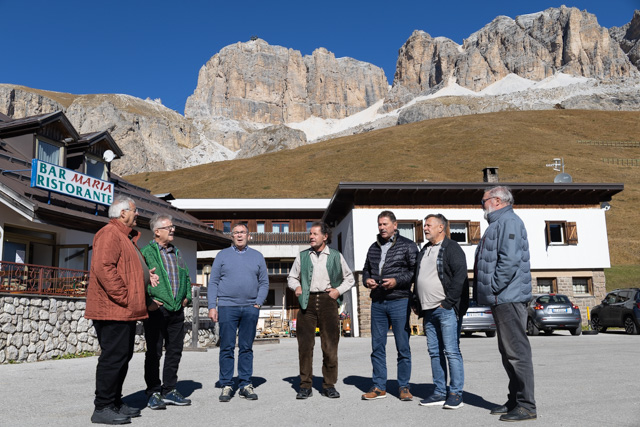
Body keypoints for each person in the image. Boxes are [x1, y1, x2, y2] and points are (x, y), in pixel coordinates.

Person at [85, 196, 159, 425]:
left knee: (122, 356)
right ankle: (103, 407)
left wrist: (144, 276)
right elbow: (104, 268)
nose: (138, 214)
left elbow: (125, 268)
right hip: (113, 309)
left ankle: (115, 402)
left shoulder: (124, 236)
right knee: (113, 358)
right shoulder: (109, 233)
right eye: (135, 211)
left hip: (123, 309)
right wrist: (124, 297)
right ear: (122, 213)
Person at [474, 186, 537, 422]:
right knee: (508, 352)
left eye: (483, 201)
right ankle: (515, 400)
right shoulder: (499, 223)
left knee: (517, 353)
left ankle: (526, 405)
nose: (481, 205)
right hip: (502, 297)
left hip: (508, 297)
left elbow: (509, 260)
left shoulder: (509, 221)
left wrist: (494, 287)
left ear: (497, 201)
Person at [287, 222, 355, 400]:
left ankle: (329, 385)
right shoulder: (302, 256)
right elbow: (291, 277)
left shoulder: (336, 256)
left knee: (330, 346)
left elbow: (350, 278)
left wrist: (337, 291)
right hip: (306, 302)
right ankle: (305, 385)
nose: (311, 236)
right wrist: (297, 287)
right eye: (310, 233)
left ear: (325, 236)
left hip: (328, 301)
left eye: (315, 234)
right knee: (305, 346)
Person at [208, 223, 269, 402]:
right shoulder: (222, 255)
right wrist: (212, 306)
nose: (240, 235)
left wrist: (258, 303)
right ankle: (226, 384)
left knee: (246, 347)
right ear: (232, 236)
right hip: (227, 307)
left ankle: (245, 384)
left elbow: (264, 282)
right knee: (226, 347)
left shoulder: (257, 256)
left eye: (243, 232)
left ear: (248, 235)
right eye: (236, 233)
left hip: (250, 307)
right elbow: (213, 282)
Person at [361, 210, 418, 401]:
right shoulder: (373, 247)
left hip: (400, 300)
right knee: (377, 346)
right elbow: (366, 270)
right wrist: (367, 280)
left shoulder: (408, 246)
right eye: (379, 224)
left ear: (395, 225)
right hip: (378, 302)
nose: (382, 227)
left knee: (403, 346)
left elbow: (414, 272)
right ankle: (379, 386)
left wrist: (396, 281)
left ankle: (404, 386)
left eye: (385, 224)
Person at [414, 214, 469, 409]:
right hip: (428, 311)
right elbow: (418, 276)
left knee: (451, 351)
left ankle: (455, 393)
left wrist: (448, 303)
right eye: (424, 225)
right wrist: (416, 300)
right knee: (434, 352)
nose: (425, 228)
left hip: (445, 309)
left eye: (429, 225)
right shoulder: (425, 249)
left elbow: (460, 276)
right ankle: (439, 392)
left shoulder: (452, 248)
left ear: (440, 228)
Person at [140, 214, 192, 410]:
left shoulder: (176, 252)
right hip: (157, 310)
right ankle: (153, 392)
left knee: (174, 351)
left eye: (173, 226)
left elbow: (186, 275)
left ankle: (169, 390)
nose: (173, 230)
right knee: (154, 353)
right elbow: (139, 279)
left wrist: (186, 297)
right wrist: (148, 303)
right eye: (169, 227)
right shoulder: (146, 252)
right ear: (157, 232)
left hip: (177, 309)